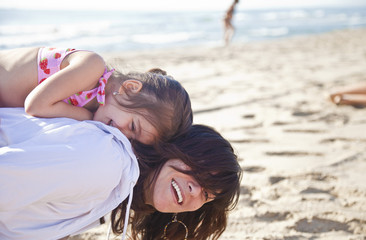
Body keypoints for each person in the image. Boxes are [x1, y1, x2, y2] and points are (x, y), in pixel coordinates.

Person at [0, 108, 242, 240]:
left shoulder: (119, 190)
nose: (196, 190)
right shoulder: (105, 162)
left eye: (208, 193)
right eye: (197, 169)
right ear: (173, 150)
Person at [0, 47, 192, 144]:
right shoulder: (92, 67)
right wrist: (88, 118)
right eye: (133, 126)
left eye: (131, 139)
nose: (123, 133)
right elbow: (35, 105)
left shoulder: (96, 106)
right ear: (130, 88)